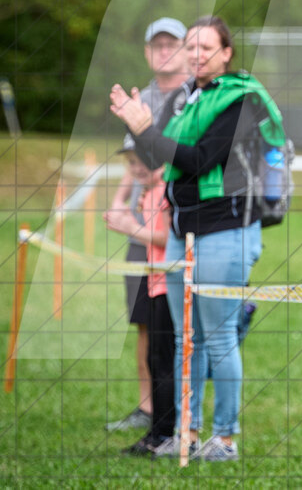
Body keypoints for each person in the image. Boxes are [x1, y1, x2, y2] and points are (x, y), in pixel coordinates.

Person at [110, 15, 286, 462]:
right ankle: (187, 432)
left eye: (207, 47)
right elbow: (156, 161)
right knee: (187, 337)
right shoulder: (187, 99)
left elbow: (199, 159)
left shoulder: (239, 98)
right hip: (180, 230)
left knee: (219, 335)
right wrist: (139, 127)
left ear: (226, 53)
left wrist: (147, 131)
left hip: (227, 230)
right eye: (192, 47)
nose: (197, 54)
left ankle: (224, 438)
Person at [104, 17, 190, 433]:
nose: (163, 50)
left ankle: (185, 411)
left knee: (182, 324)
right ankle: (148, 406)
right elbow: (134, 163)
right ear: (146, 51)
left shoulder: (196, 94)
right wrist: (120, 203)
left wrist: (160, 175)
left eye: (171, 43)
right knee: (145, 320)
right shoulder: (144, 97)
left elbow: (194, 158)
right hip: (143, 227)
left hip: (179, 223)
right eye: (156, 44)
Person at [102, 137, 175, 456]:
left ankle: (166, 432)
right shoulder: (148, 192)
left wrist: (130, 228)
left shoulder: (165, 190)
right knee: (155, 357)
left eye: (141, 160)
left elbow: (167, 239)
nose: (136, 168)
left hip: (169, 283)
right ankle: (159, 429)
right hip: (155, 280)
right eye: (130, 163)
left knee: (166, 359)